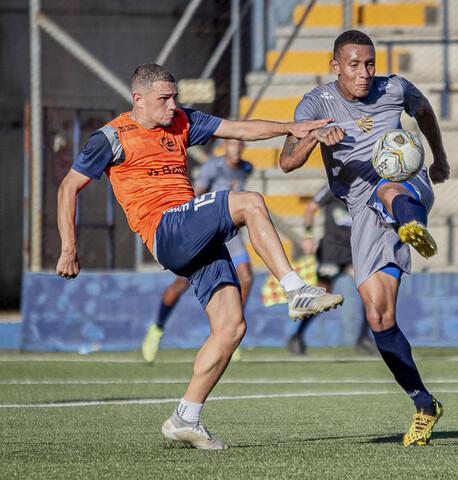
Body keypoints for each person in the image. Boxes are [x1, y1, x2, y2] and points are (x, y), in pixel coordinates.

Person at [56, 63, 343, 450]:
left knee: (231, 327)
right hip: (165, 229)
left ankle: (185, 417)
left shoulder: (182, 121)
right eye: (164, 99)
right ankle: (295, 290)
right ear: (138, 100)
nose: (173, 105)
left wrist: (289, 128)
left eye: (174, 97)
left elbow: (240, 128)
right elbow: (68, 187)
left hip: (192, 232)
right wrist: (69, 248)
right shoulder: (111, 137)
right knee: (250, 202)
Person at [279, 30, 451, 446]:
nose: (364, 73)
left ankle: (413, 226)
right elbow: (286, 161)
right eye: (354, 65)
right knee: (379, 318)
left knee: (387, 187)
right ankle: (424, 403)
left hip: (406, 184)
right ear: (335, 64)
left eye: (369, 63)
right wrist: (313, 137)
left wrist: (440, 159)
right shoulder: (316, 104)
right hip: (361, 212)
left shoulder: (394, 88)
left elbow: (424, 111)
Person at [142, 138, 254, 363]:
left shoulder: (246, 168)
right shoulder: (213, 166)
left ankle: (230, 332)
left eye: (240, 145)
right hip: (206, 230)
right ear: (225, 147)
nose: (236, 149)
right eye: (232, 144)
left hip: (229, 234)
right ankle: (157, 328)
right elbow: (196, 195)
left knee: (246, 276)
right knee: (181, 284)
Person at [287, 184, 375, 355]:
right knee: (322, 295)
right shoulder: (334, 185)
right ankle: (297, 336)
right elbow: (310, 209)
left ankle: (364, 338)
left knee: (370, 292)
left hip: (354, 251)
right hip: (331, 252)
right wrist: (308, 236)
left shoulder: (366, 186)